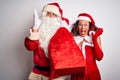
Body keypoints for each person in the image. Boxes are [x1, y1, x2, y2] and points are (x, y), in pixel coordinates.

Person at [24, 2, 70, 80]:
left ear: (58, 18)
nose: (51, 16)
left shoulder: (61, 31)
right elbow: (30, 47)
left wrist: (65, 34)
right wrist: (35, 28)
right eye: (48, 13)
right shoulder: (37, 29)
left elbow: (67, 53)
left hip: (56, 74)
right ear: (44, 15)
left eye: (54, 14)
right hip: (39, 74)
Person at [70, 13, 104, 80]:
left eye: (85, 24)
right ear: (77, 26)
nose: (83, 27)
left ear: (89, 27)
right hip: (76, 76)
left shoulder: (95, 39)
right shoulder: (72, 40)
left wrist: (94, 39)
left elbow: (99, 58)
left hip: (92, 76)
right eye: (80, 24)